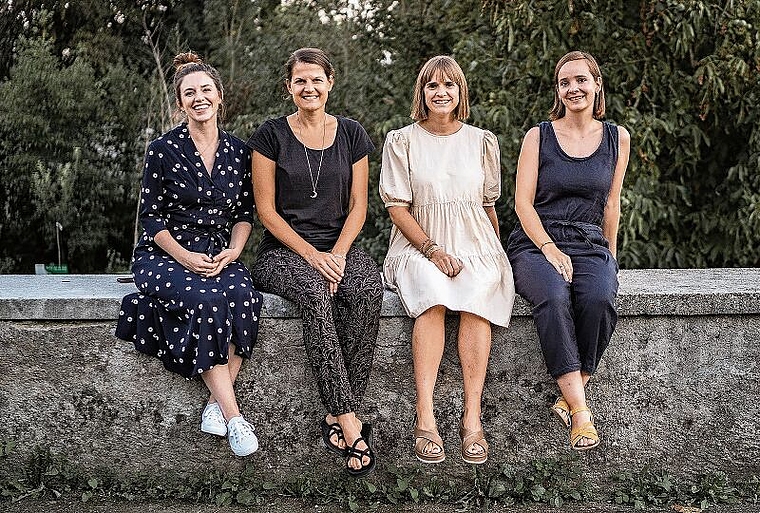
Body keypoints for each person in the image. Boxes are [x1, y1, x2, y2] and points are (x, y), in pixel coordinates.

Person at [116, 52, 262, 457]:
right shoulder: (162, 149)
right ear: (181, 103)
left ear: (219, 96)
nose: (199, 98)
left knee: (245, 297)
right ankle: (234, 418)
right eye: (189, 93)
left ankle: (215, 404)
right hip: (164, 254)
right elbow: (150, 218)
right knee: (206, 299)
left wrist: (234, 251)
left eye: (205, 90)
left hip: (219, 253)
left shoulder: (239, 151)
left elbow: (243, 214)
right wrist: (182, 256)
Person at [246, 48, 382, 477]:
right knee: (313, 294)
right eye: (300, 81)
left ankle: (338, 412)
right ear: (289, 88)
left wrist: (338, 255)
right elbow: (265, 211)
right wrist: (312, 258)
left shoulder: (352, 134)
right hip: (283, 253)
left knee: (367, 289)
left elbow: (359, 206)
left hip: (339, 245)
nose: (309, 88)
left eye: (316, 80)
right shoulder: (270, 135)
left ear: (330, 83)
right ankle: (348, 419)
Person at [380, 56, 515, 465]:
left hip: (474, 241)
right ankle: (426, 417)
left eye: (449, 86)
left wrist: (497, 252)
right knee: (433, 294)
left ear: (461, 93)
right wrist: (433, 250)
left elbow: (488, 205)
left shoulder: (481, 141)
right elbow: (398, 208)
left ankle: (472, 418)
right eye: (432, 86)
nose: (441, 93)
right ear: (421, 93)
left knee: (477, 298)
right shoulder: (401, 140)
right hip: (420, 243)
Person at [506, 51, 630, 451]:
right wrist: (548, 247)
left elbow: (612, 203)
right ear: (558, 91)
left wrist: (610, 255)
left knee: (598, 298)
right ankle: (580, 411)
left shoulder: (617, 138)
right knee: (555, 296)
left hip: (589, 240)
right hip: (537, 240)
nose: (573, 88)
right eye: (564, 83)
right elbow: (522, 204)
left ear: (597, 85)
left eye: (581, 80)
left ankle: (569, 393)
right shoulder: (538, 136)